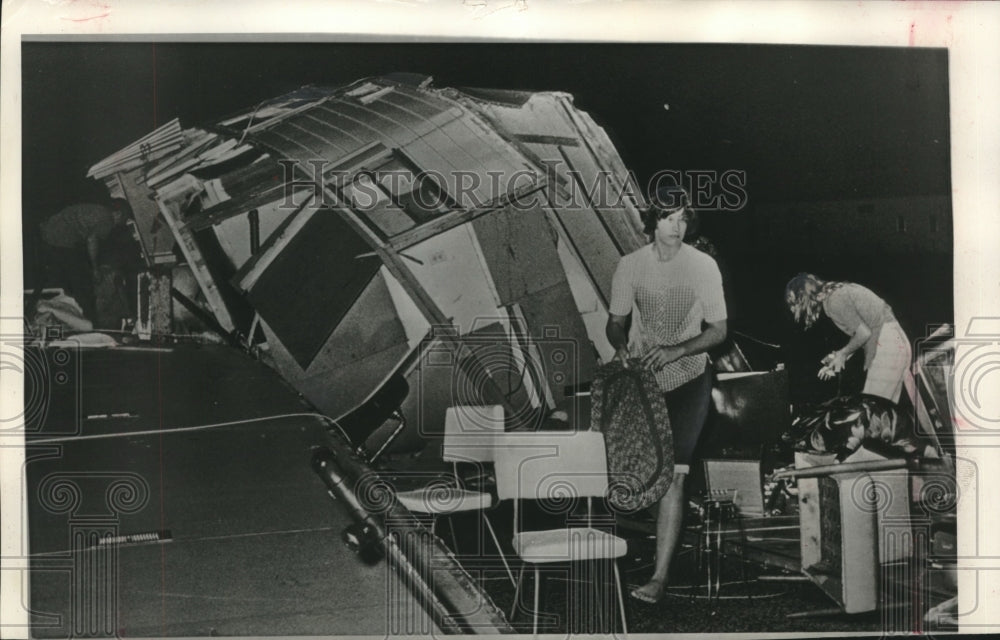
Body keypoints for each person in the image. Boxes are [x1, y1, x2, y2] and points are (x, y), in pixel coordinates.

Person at [605, 182, 727, 603]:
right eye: (668, 217)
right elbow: (615, 321)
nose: (677, 226)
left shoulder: (702, 266)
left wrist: (677, 349)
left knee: (675, 474)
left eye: (683, 218)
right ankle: (670, 534)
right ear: (651, 221)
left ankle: (659, 577)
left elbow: (719, 331)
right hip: (645, 380)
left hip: (691, 376)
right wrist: (620, 346)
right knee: (645, 474)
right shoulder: (630, 265)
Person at [784, 273, 913, 404]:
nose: (795, 310)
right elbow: (862, 335)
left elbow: (864, 333)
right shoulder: (838, 292)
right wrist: (838, 358)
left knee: (871, 409)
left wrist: (843, 354)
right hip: (896, 340)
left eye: (795, 304)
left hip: (887, 345)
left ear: (803, 297)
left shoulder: (834, 300)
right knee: (886, 413)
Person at [38, 199, 130, 321]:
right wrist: (95, 268)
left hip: (48, 230)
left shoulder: (98, 209)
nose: (123, 223)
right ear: (118, 213)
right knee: (79, 282)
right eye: (124, 218)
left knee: (67, 279)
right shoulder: (107, 220)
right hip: (60, 239)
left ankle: (66, 311)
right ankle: (88, 319)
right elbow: (92, 241)